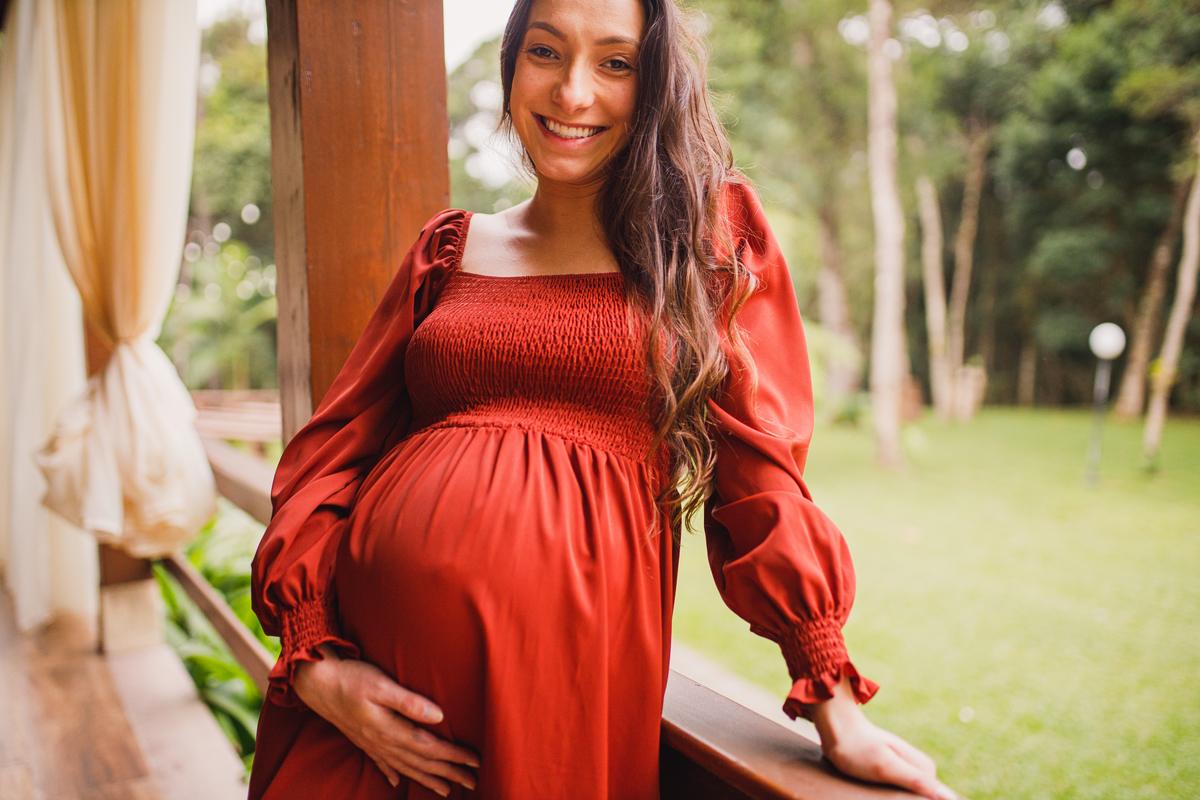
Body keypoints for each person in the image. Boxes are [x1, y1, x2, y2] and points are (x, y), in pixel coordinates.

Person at [248, 0, 956, 798]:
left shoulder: (706, 250)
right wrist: (314, 662)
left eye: (615, 63)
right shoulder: (447, 251)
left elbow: (762, 476)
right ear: (512, 66)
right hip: (365, 718)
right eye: (545, 53)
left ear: (655, 85)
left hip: (557, 701)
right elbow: (330, 454)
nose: (572, 92)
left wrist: (832, 697)